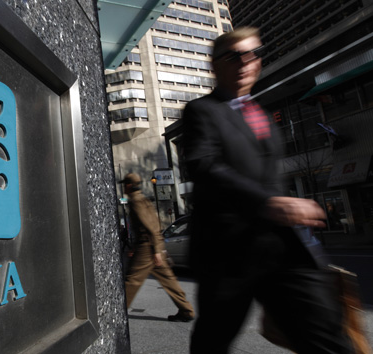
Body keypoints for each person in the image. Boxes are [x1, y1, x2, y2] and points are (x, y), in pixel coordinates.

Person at [181, 27, 354, 353]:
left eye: (254, 54)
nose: (246, 62)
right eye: (234, 56)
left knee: (329, 338)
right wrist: (268, 203)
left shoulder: (260, 113)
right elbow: (204, 166)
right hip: (228, 254)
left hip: (283, 250)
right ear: (214, 65)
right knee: (213, 341)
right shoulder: (201, 111)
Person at [120, 173, 195, 322]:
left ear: (129, 185)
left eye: (125, 185)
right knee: (169, 280)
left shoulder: (136, 201)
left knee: (132, 280)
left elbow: (150, 226)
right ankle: (186, 310)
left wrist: (155, 251)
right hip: (152, 246)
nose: (123, 188)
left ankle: (117, 314)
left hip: (147, 247)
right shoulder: (142, 199)